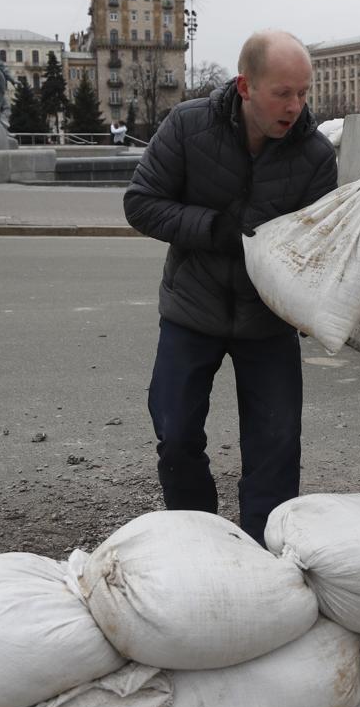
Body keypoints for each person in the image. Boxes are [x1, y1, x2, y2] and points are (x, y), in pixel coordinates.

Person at [123, 30, 338, 544]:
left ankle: (264, 554)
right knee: (175, 433)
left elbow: (319, 244)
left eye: (304, 93)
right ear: (245, 86)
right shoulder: (188, 125)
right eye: (282, 93)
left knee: (276, 444)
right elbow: (141, 202)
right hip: (192, 307)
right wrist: (214, 229)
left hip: (268, 319)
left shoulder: (313, 155)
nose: (295, 106)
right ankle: (198, 539)